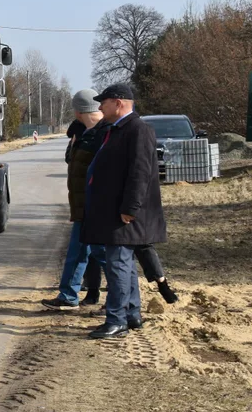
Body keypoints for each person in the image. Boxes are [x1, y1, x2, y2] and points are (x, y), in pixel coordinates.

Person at [81, 82, 168, 339]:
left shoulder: (137, 130)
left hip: (124, 213)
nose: (99, 107)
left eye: (103, 102)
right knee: (125, 265)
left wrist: (130, 208)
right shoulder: (119, 129)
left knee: (118, 264)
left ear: (118, 103)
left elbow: (140, 173)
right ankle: (131, 314)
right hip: (115, 211)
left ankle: (116, 320)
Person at [41, 89, 107, 310]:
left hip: (97, 208)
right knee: (78, 252)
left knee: (106, 256)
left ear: (78, 111)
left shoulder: (104, 133)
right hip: (82, 207)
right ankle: (69, 296)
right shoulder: (84, 133)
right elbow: (72, 162)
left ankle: (123, 301)